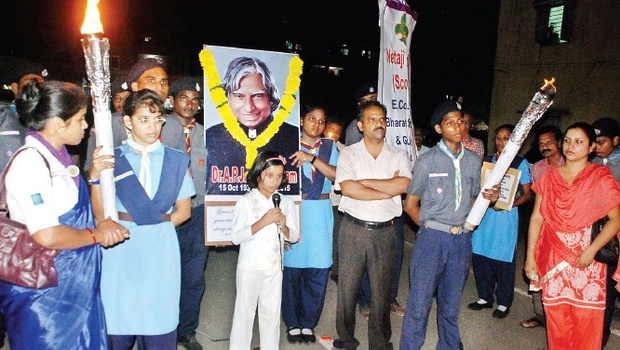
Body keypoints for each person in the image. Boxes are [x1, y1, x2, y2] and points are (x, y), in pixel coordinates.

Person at [0, 80, 129, 349]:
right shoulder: (30, 164)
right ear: (59, 123)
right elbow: (47, 234)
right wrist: (97, 234)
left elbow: (73, 209)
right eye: (81, 119)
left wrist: (92, 179)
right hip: (47, 297)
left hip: (76, 286)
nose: (86, 126)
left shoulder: (59, 156)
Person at [95, 90, 195, 349]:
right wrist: (95, 177)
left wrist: (155, 229)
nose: (153, 127)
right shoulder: (112, 159)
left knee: (158, 322)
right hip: (120, 248)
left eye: (157, 119)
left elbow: (184, 211)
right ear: (128, 121)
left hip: (160, 251)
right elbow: (100, 213)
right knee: (118, 327)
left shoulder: (176, 160)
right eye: (144, 120)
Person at [400, 100, 500, 350]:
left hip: (461, 241)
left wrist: (491, 198)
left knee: (451, 303)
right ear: (438, 129)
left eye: (461, 121)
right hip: (432, 239)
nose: (458, 127)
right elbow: (410, 204)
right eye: (450, 123)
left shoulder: (473, 161)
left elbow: (475, 197)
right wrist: (428, 229)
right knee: (419, 304)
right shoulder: (428, 161)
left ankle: (449, 346)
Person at [524, 122, 620, 350]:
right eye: (567, 140)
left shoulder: (601, 178)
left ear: (591, 148)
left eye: (578, 142)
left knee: (587, 324)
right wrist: (530, 257)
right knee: (557, 322)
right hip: (554, 259)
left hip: (588, 263)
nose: (570, 146)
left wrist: (591, 250)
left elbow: (616, 220)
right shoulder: (549, 177)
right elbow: (537, 218)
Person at [332, 100, 411, 350]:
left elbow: (404, 186)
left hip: (386, 232)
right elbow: (348, 188)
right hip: (353, 230)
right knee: (348, 289)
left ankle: (379, 342)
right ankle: (346, 339)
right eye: (372, 119)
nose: (379, 123)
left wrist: (365, 182)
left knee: (382, 293)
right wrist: (386, 188)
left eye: (382, 119)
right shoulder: (349, 153)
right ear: (360, 125)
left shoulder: (399, 154)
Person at [229, 151, 300, 350]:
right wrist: (263, 222)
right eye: (270, 175)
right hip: (250, 266)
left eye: (279, 176)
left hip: (274, 267)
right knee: (244, 313)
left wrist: (284, 227)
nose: (274, 181)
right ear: (259, 174)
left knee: (271, 315)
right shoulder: (245, 201)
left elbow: (293, 236)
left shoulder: (285, 202)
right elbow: (236, 237)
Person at [282, 105, 338, 344]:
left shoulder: (330, 147)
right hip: (295, 210)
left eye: (321, 120)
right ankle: (292, 322)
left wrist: (312, 158)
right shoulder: (286, 143)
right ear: (302, 120)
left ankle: (308, 323)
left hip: (321, 213)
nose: (316, 124)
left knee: (318, 269)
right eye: (312, 118)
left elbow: (337, 176)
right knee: (292, 270)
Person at [205, 56, 299, 196]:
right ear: (227, 98)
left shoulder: (292, 135)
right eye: (239, 96)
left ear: (271, 97)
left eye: (258, 96)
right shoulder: (213, 135)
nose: (249, 107)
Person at [468, 124, 532, 319]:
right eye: (498, 138)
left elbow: (528, 195)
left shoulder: (520, 162)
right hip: (485, 217)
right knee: (481, 256)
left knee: (503, 261)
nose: (501, 142)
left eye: (506, 138)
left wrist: (509, 204)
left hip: (505, 219)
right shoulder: (487, 161)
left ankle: (504, 302)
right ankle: (485, 297)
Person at [84, 57, 185, 172]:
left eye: (164, 82)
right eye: (151, 81)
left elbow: (180, 170)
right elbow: (91, 170)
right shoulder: (108, 125)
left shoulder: (173, 126)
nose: (159, 87)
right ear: (135, 87)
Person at [168, 76, 209, 350]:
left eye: (195, 100)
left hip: (198, 212)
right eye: (184, 98)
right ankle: (163, 331)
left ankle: (187, 330)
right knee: (166, 275)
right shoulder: (157, 128)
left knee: (194, 277)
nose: (190, 104)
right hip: (167, 213)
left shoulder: (207, 133)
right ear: (172, 101)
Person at [520, 125, 564, 329]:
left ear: (560, 143)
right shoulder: (537, 167)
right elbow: (537, 202)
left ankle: (559, 316)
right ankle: (540, 315)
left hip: (565, 229)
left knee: (561, 274)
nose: (545, 146)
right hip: (542, 226)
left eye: (549, 142)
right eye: (541, 144)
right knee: (537, 269)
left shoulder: (570, 165)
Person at [591, 117, 620, 348]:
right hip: (592, 233)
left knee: (609, 289)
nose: (596, 147)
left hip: (615, 237)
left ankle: (600, 339)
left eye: (601, 142)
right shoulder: (592, 163)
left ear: (616, 140)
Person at [324, 120, 345, 283]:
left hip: (336, 202)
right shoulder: (316, 147)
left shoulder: (344, 150)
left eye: (337, 131)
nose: (333, 134)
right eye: (331, 129)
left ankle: (337, 270)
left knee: (337, 237)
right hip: (321, 201)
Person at [344, 81, 377, 146]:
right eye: (364, 102)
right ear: (359, 105)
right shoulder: (355, 129)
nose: (369, 105)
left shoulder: (390, 122)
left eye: (373, 99)